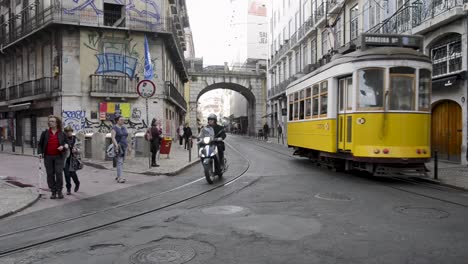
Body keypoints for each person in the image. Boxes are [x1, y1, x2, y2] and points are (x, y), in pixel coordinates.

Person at [38, 115, 69, 199]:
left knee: (59, 173)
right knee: (50, 174)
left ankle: (59, 191)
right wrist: (40, 153)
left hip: (59, 157)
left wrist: (63, 146)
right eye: (49, 121)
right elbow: (40, 145)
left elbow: (67, 143)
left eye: (52, 121)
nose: (50, 123)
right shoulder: (45, 133)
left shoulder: (62, 134)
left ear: (57, 123)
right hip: (48, 157)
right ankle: (53, 191)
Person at [63, 126, 80, 195]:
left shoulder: (75, 139)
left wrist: (76, 150)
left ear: (72, 131)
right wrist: (64, 146)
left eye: (70, 131)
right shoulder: (63, 139)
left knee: (73, 174)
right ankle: (68, 189)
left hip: (73, 159)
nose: (68, 133)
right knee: (66, 174)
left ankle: (77, 183)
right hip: (65, 159)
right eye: (67, 131)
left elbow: (80, 147)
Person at [111, 115, 128, 183]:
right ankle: (120, 178)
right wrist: (116, 145)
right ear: (117, 120)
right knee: (120, 162)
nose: (123, 121)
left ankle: (118, 176)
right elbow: (113, 137)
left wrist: (128, 146)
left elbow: (125, 136)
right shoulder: (114, 128)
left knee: (121, 162)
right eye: (121, 119)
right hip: (119, 146)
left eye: (123, 119)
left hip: (124, 146)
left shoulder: (123, 127)